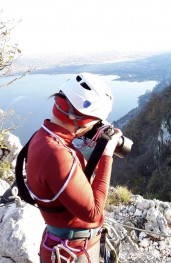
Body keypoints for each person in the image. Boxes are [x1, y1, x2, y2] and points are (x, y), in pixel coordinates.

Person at [26, 73, 123, 262]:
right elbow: (92, 214)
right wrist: (106, 154)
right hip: (73, 253)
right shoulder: (58, 155)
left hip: (62, 244)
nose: (96, 127)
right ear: (84, 121)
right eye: (96, 122)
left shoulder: (42, 137)